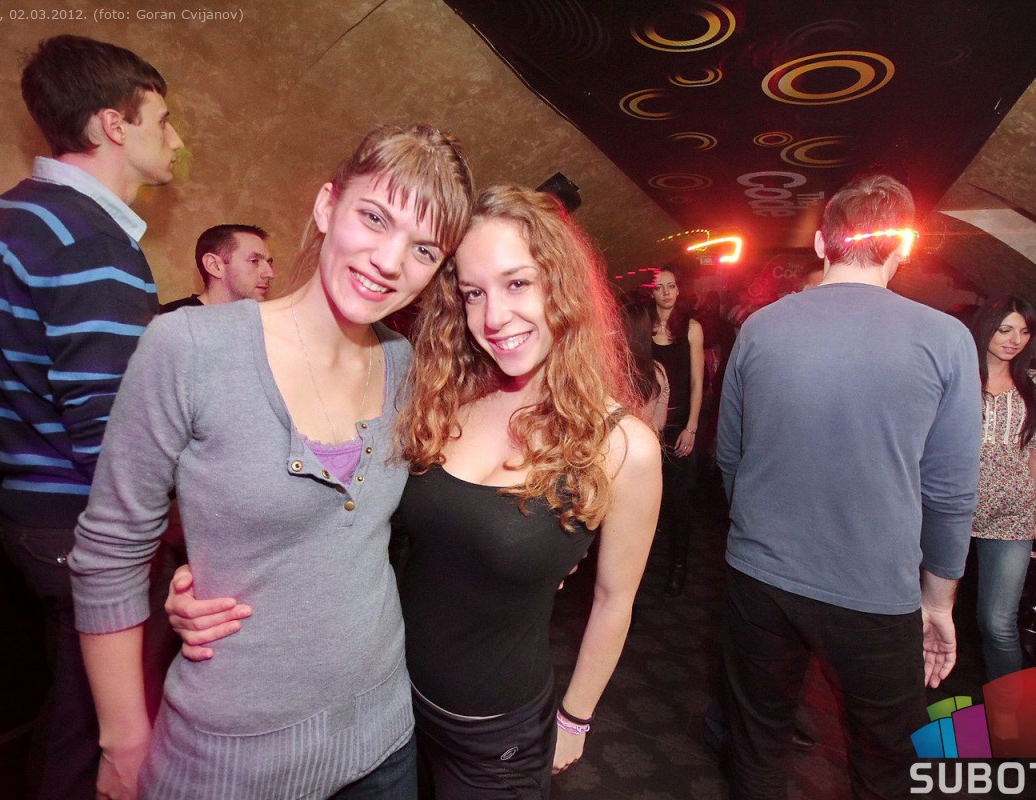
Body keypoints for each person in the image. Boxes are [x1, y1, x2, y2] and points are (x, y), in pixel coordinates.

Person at [167, 185, 661, 798]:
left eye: (517, 283)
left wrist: (575, 719)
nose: (494, 317)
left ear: (562, 286)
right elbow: (341, 518)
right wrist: (214, 577)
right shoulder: (442, 399)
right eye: (474, 293)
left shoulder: (622, 445)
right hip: (384, 706)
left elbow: (614, 600)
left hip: (494, 736)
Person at [69, 123, 474, 800]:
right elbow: (111, 548)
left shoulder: (404, 366)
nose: (388, 260)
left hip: (383, 739)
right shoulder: (189, 347)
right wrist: (123, 739)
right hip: (231, 756)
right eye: (375, 218)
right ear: (327, 206)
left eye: (423, 248)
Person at [0, 34, 184, 800]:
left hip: (33, 517)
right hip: (86, 530)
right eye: (162, 120)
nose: (175, 140)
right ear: (114, 124)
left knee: (73, 719)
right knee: (108, 743)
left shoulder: (11, 214)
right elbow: (116, 440)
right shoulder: (89, 242)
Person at [715, 174, 982, 800]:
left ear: (820, 243)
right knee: (887, 761)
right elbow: (949, 492)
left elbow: (730, 457)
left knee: (757, 742)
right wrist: (938, 602)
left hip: (759, 578)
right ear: (903, 248)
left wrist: (760, 531)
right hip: (875, 588)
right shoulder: (946, 338)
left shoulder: (761, 326)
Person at [967, 296, 1036, 682]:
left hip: (1012, 512)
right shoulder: (958, 375)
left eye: (1024, 331)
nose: (1015, 340)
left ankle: (1010, 715)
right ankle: (909, 706)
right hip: (951, 506)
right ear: (985, 328)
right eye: (1005, 329)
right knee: (926, 613)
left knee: (998, 623)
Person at [650, 267, 703, 596]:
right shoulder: (643, 327)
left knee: (678, 500)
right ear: (651, 292)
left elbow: (697, 382)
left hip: (679, 426)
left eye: (671, 286)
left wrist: (691, 427)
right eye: (660, 287)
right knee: (646, 499)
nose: (667, 292)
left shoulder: (691, 328)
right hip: (647, 428)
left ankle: (679, 565)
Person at [160, 224, 274, 311]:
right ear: (214, 266)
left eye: (269, 263)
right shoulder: (171, 321)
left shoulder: (261, 322)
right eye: (254, 261)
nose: (270, 274)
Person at [622, 299, 668, 433]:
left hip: (616, 443)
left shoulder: (611, 372)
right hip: (646, 441)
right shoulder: (659, 371)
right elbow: (659, 424)